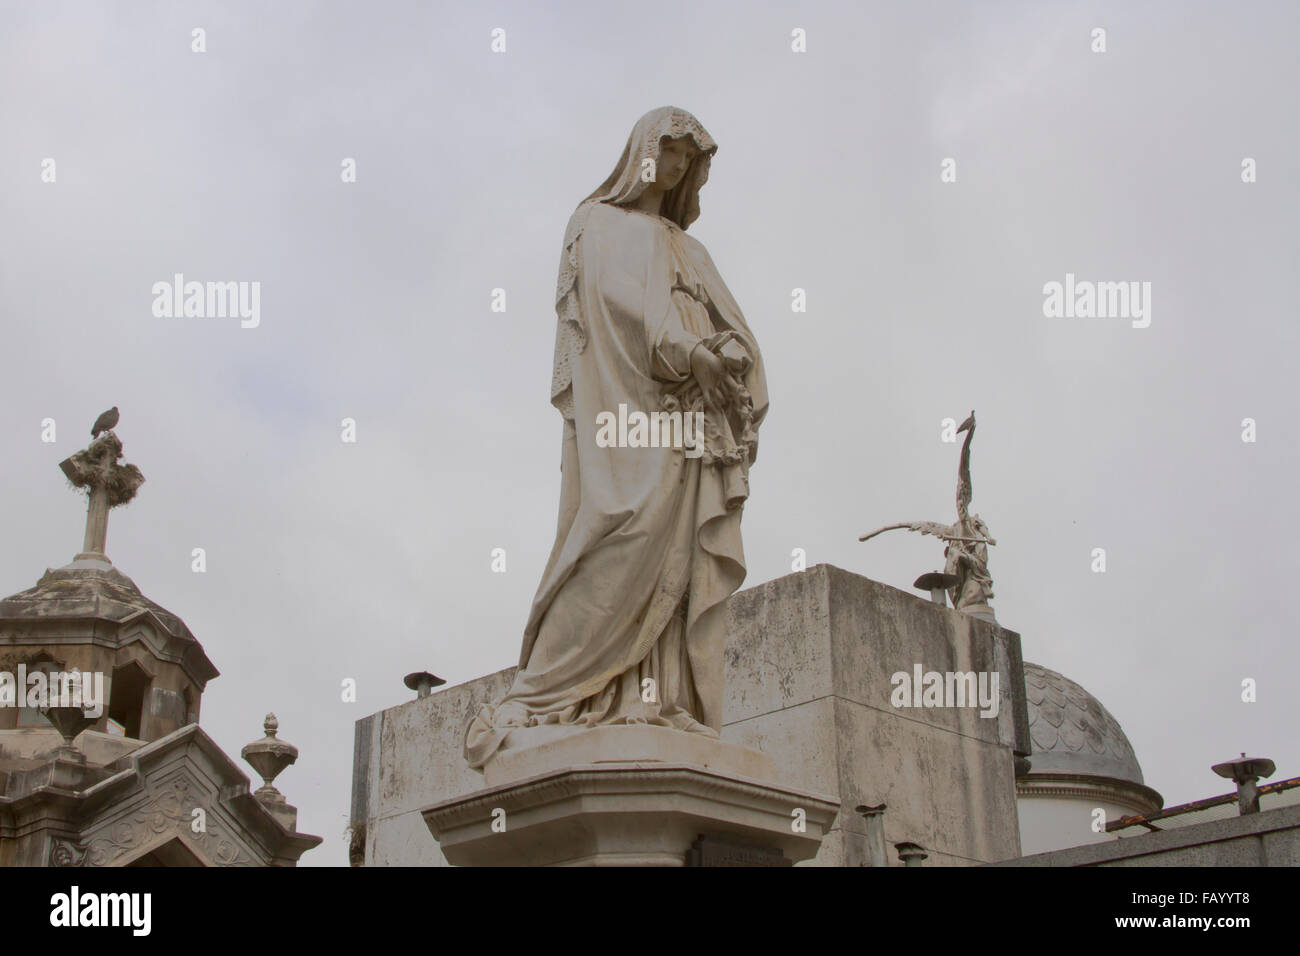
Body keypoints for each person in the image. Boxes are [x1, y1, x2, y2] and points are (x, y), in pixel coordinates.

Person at [465, 107, 768, 770]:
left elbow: (737, 327)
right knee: (621, 525)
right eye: (670, 149)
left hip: (694, 418)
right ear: (641, 151)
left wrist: (730, 356)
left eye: (691, 159)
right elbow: (610, 302)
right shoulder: (595, 222)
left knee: (679, 553)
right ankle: (543, 693)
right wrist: (688, 350)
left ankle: (653, 700)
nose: (678, 165)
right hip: (628, 406)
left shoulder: (692, 249)